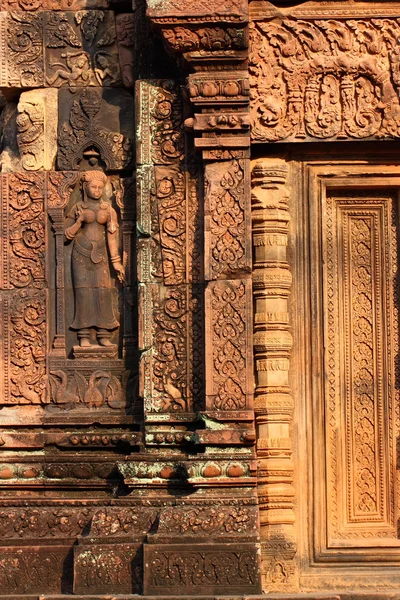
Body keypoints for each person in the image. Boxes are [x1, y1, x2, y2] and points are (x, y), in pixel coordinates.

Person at [65, 170, 124, 347]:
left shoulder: (108, 210)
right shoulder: (78, 208)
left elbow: (112, 238)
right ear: (85, 187)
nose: (97, 190)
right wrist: (79, 222)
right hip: (81, 255)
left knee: (103, 293)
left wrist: (116, 262)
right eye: (93, 187)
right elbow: (66, 235)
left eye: (100, 187)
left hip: (102, 256)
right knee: (83, 293)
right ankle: (83, 335)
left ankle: (103, 334)